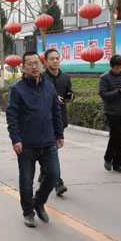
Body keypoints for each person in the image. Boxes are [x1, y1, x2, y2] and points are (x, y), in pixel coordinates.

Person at [6, 51, 64, 228]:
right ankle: (28, 212)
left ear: (41, 64)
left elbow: (56, 111)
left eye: (37, 63)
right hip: (26, 144)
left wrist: (59, 134)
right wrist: (16, 139)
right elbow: (12, 116)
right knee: (26, 180)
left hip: (48, 141)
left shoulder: (49, 87)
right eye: (30, 64)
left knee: (53, 174)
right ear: (23, 67)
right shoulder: (17, 89)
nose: (34, 67)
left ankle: (38, 202)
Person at [38, 48, 73, 196]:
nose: (55, 61)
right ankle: (57, 182)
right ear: (45, 62)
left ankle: (44, 173)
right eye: (52, 59)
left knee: (51, 151)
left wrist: (69, 97)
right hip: (44, 120)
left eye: (57, 58)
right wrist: (52, 98)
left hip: (60, 119)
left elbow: (70, 91)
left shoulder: (65, 77)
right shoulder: (40, 77)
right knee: (51, 151)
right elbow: (36, 97)